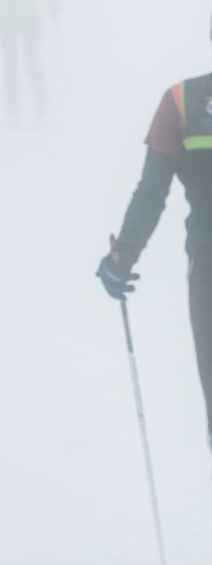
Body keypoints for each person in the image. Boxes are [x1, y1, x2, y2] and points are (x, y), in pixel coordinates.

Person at [97, 25, 212, 450]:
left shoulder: (183, 101)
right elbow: (151, 192)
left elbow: (152, 192)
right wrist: (123, 254)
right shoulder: (180, 102)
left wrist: (123, 256)